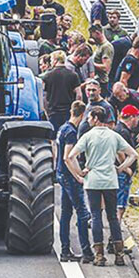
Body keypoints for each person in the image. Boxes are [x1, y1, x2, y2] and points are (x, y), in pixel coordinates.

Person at [67, 105, 138, 266]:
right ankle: (119, 254)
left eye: (90, 117)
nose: (88, 120)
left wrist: (80, 172)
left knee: (96, 215)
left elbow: (71, 156)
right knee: (112, 216)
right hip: (110, 180)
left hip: (93, 181)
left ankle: (99, 255)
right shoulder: (114, 136)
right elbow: (133, 154)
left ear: (96, 118)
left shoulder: (87, 136)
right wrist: (120, 168)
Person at [56, 101, 93, 263]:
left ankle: (65, 250)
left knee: (66, 213)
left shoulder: (62, 128)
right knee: (82, 213)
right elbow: (68, 157)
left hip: (61, 174)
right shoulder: (71, 132)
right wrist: (79, 175)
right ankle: (87, 251)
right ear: (82, 114)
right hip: (69, 176)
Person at [115, 104, 139, 218]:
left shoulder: (121, 129)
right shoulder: (123, 132)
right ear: (132, 117)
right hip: (122, 173)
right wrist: (126, 169)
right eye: (137, 117)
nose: (138, 120)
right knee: (120, 204)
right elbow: (119, 151)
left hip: (120, 172)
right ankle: (115, 231)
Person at [42, 50, 81, 128]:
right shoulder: (73, 75)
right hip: (68, 111)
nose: (51, 63)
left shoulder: (47, 76)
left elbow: (44, 96)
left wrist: (46, 110)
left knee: (54, 136)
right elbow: (79, 95)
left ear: (55, 60)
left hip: (53, 111)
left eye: (51, 60)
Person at [89, 24, 114, 89]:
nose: (92, 38)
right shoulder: (99, 45)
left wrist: (91, 64)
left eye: (92, 35)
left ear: (97, 33)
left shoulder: (106, 47)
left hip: (101, 82)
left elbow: (106, 67)